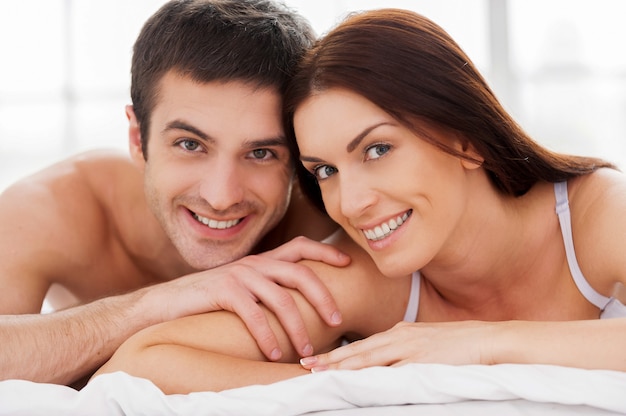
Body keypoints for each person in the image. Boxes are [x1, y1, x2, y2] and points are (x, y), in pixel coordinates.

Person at [93, 7, 626, 394]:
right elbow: (140, 363)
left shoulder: (595, 213)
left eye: (377, 149)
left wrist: (482, 346)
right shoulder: (370, 273)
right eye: (324, 170)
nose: (350, 203)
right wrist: (367, 387)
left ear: (466, 139)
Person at [0, 0, 348, 387]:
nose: (221, 196)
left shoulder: (331, 219)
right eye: (189, 144)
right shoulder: (52, 208)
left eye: (261, 153)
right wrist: (154, 304)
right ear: (137, 139)